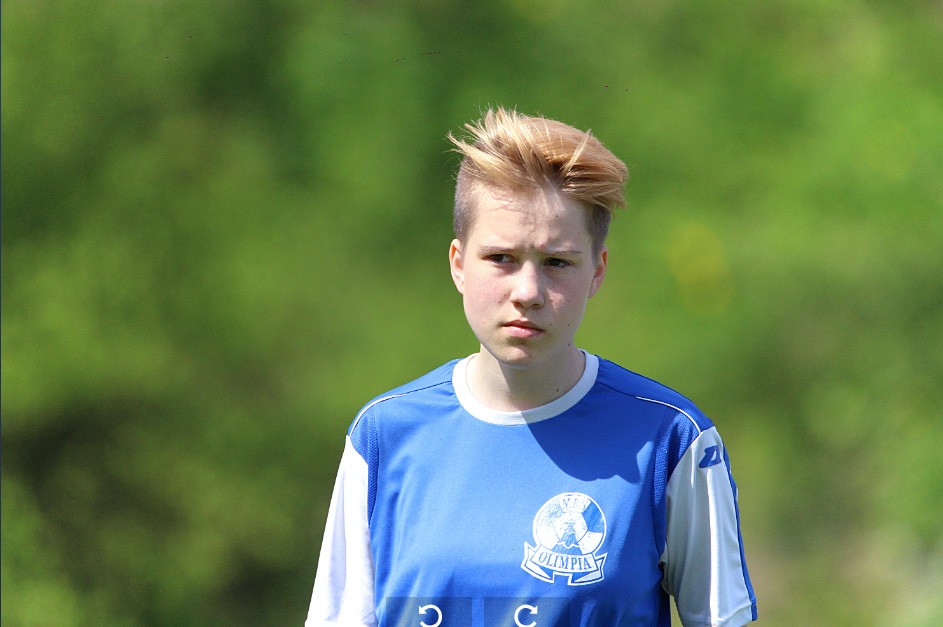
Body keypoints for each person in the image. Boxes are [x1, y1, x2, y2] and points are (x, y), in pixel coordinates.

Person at [305, 107, 757, 626]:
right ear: (458, 263)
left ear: (597, 271)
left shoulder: (671, 440)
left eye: (557, 262)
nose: (527, 292)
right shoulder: (383, 437)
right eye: (501, 258)